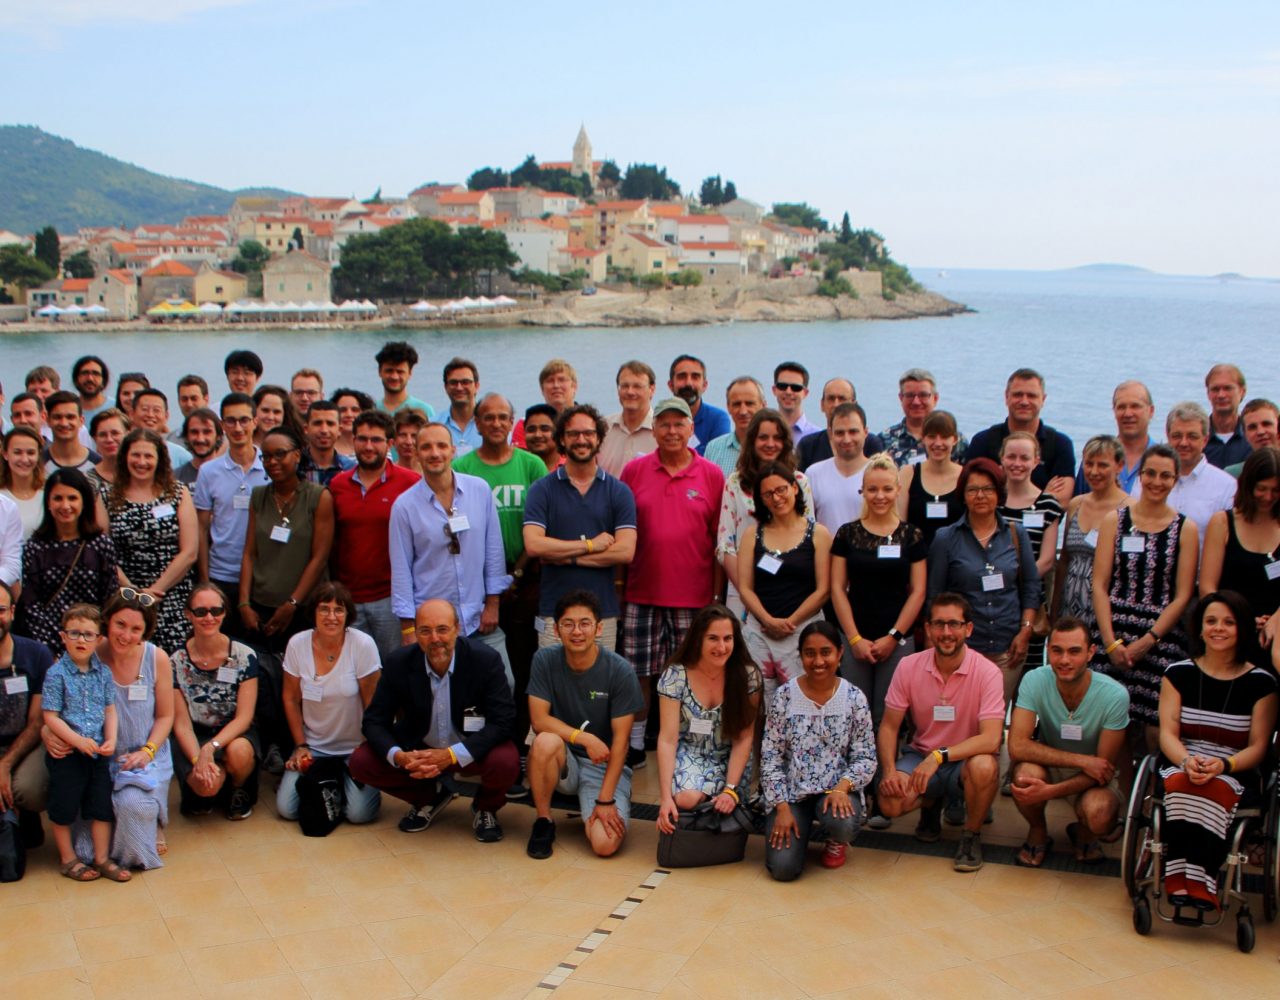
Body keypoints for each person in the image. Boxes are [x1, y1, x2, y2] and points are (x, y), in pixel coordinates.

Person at [348, 598, 518, 839]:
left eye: (442, 629)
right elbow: (374, 721)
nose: (435, 638)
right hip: (420, 748)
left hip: (468, 746)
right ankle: (429, 797)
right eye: (425, 631)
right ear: (415, 633)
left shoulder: (485, 660)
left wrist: (450, 755)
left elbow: (503, 721)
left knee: (506, 761)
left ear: (457, 629)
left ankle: (486, 807)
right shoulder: (399, 662)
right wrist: (399, 756)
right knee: (361, 761)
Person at [1156, 591, 1278, 909]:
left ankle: (1196, 881)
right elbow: (1167, 734)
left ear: (1242, 629)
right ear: (1199, 628)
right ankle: (1187, 880)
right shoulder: (1177, 674)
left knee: (1213, 786)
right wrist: (1186, 760)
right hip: (1182, 759)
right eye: (1211, 621)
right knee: (1184, 783)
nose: (1218, 628)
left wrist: (1223, 765)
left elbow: (1259, 747)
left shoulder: (1262, 683)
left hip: (1236, 768)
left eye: (1228, 622)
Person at [621, 398, 725, 767]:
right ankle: (636, 744)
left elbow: (718, 543)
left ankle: (690, 740)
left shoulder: (712, 474)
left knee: (693, 675)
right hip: (641, 592)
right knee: (639, 674)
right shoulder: (634, 471)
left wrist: (715, 596)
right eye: (663, 424)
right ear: (655, 430)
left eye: (679, 423)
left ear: (691, 428)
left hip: (694, 598)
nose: (671, 431)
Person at [830, 452, 927, 823]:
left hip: (896, 642)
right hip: (855, 638)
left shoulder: (912, 535)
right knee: (856, 717)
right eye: (873, 489)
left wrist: (893, 636)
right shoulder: (847, 533)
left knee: (889, 716)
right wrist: (853, 638)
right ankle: (854, 791)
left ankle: (884, 788)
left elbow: (917, 592)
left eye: (887, 489)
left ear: (898, 490)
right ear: (863, 490)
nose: (880, 495)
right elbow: (838, 589)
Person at [877, 593, 1004, 872]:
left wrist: (939, 756)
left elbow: (992, 738)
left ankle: (971, 836)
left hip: (964, 761)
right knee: (889, 802)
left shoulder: (989, 672)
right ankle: (932, 803)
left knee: (984, 767)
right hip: (921, 755)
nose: (946, 633)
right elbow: (888, 726)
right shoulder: (908, 666)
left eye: (954, 624)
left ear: (968, 629)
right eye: (939, 624)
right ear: (927, 629)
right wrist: (888, 770)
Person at [56, 591, 175, 870]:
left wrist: (147, 752)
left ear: (145, 632)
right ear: (107, 622)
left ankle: (150, 818)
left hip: (143, 756)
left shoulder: (156, 659)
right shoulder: (88, 654)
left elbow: (166, 716)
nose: (126, 635)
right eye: (120, 625)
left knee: (133, 807)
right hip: (96, 757)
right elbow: (56, 700)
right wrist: (52, 733)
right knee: (85, 851)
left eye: (136, 629)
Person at [456, 394, 547, 746]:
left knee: (523, 664)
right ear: (477, 423)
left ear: (512, 423)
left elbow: (542, 524)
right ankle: (482, 739)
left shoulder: (531, 465)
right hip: (476, 583)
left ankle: (520, 739)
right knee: (481, 664)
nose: (496, 424)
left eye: (503, 417)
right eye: (488, 417)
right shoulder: (463, 468)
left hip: (524, 580)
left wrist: (516, 575)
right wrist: (489, 584)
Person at [1092, 444, 1197, 748]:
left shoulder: (1185, 529)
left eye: (1166, 476)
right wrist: (1110, 642)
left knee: (1156, 726)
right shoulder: (1115, 520)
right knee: (1114, 725)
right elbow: (1099, 584)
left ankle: (1150, 793)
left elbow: (1183, 594)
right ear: (1140, 475)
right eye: (1150, 473)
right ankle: (1120, 793)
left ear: (1175, 480)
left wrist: (1149, 640)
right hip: (1113, 631)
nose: (1156, 481)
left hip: (1160, 637)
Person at [525, 590, 644, 859]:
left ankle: (597, 801)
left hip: (603, 765)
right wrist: (584, 738)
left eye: (585, 623)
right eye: (568, 624)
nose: (576, 631)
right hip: (563, 757)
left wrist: (605, 799)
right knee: (544, 739)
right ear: (556, 630)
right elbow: (539, 719)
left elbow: (622, 743)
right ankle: (544, 821)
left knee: (605, 844)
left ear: (599, 628)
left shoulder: (619, 670)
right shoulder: (544, 660)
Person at [389, 423, 511, 675]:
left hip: (478, 618)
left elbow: (494, 552)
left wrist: (493, 604)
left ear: (453, 450)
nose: (435, 453)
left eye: (441, 446)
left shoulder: (480, 490)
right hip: (433, 626)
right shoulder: (404, 506)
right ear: (417, 453)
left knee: (504, 682)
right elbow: (401, 570)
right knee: (441, 692)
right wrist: (409, 629)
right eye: (426, 447)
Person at [1007, 616, 1129, 866]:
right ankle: (1038, 831)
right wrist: (1082, 760)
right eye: (1057, 651)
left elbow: (1103, 770)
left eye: (1074, 652)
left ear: (1090, 653)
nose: (1064, 660)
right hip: (1060, 765)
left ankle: (1084, 832)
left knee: (1100, 813)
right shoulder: (1035, 679)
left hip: (1094, 779)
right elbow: (1017, 746)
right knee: (1024, 776)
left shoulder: (1115, 695)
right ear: (1047, 651)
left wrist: (1050, 792)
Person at [761, 622, 875, 878]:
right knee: (783, 869)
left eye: (826, 652)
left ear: (840, 653)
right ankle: (793, 828)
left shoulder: (854, 698)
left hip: (836, 791)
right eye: (810, 653)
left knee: (842, 821)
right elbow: (770, 757)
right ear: (800, 656)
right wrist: (781, 807)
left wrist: (843, 787)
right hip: (792, 795)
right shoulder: (784, 697)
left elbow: (865, 756)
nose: (818, 661)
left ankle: (836, 840)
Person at [523, 404, 636, 650]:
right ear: (561, 439)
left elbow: (625, 552)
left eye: (588, 433)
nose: (581, 440)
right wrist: (590, 545)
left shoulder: (618, 492)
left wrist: (568, 558)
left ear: (599, 438)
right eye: (573, 434)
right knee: (554, 687)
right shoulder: (542, 490)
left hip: (602, 615)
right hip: (554, 614)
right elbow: (534, 545)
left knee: (599, 688)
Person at [927, 458, 1040, 703]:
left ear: (999, 493)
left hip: (1008, 648)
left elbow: (1031, 586)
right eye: (973, 489)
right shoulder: (946, 538)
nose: (980, 495)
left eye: (988, 489)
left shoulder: (1016, 533)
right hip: (963, 649)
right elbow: (935, 595)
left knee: (995, 718)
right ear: (963, 495)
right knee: (964, 718)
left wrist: (1025, 632)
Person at [277, 582, 382, 827]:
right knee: (287, 809)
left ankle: (340, 784)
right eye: (324, 609)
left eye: (339, 610)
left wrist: (369, 749)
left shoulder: (363, 644)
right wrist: (300, 746)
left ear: (348, 615)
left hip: (356, 747)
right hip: (315, 747)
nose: (331, 617)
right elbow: (290, 699)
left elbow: (374, 705)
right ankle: (332, 782)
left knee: (359, 815)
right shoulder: (297, 644)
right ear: (313, 612)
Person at [41, 605, 130, 882]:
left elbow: (110, 709)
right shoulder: (56, 674)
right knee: (64, 805)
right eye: (75, 633)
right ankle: (68, 858)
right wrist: (77, 741)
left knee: (101, 805)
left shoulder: (102, 673)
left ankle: (102, 857)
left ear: (98, 639)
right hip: (68, 753)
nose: (81, 640)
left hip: (98, 753)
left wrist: (112, 738)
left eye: (88, 635)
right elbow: (51, 717)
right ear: (63, 636)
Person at [655, 605, 761, 835]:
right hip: (690, 751)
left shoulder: (748, 676)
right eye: (713, 638)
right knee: (685, 799)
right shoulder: (675, 675)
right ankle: (703, 805)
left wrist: (730, 789)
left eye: (728, 638)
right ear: (697, 639)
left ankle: (716, 802)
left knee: (726, 800)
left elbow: (744, 738)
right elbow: (667, 739)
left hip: (729, 755)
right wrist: (665, 798)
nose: (721, 647)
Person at [737, 462, 832, 702]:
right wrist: (768, 621)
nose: (776, 498)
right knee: (754, 703)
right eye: (768, 494)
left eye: (781, 490)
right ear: (761, 499)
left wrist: (790, 622)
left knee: (802, 701)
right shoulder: (752, 534)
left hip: (804, 631)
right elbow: (745, 588)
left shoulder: (818, 533)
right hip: (760, 632)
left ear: (795, 489)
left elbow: (823, 590)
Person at [329, 410, 420, 657]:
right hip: (349, 598)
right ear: (353, 440)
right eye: (362, 439)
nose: (368, 446)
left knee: (395, 667)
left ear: (390, 444)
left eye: (376, 440)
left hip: (390, 599)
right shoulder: (338, 485)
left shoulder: (410, 483)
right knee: (355, 670)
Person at [170, 583, 260, 820]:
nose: (209, 617)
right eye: (200, 612)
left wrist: (212, 747)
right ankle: (207, 788)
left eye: (215, 611)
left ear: (224, 613)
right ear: (188, 614)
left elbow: (244, 717)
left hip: (233, 733)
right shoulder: (175, 661)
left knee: (240, 752)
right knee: (206, 785)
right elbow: (181, 725)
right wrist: (198, 759)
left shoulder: (244, 655)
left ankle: (237, 789)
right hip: (194, 734)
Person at [239, 427, 333, 653]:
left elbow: (319, 558)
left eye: (280, 454)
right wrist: (243, 604)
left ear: (297, 455)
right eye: (267, 456)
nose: (272, 461)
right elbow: (250, 553)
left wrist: (292, 604)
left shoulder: (318, 497)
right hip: (262, 606)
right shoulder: (259, 496)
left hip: (304, 608)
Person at [716, 409, 814, 618]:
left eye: (777, 437)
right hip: (743, 594)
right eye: (763, 437)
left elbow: (808, 536)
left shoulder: (800, 482)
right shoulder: (735, 483)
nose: (770, 444)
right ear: (752, 440)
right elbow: (726, 545)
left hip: (791, 592)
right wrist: (748, 591)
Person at [107, 428, 198, 653]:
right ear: (124, 457)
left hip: (171, 595)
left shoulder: (177, 493)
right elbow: (103, 551)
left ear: (160, 460)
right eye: (136, 455)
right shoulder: (106, 496)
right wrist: (132, 591)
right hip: (126, 597)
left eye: (148, 456)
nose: (142, 462)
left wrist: (154, 591)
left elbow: (190, 551)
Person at [16, 469, 117, 653]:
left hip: (93, 644)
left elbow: (109, 599)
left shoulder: (100, 544)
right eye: (58, 498)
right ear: (48, 502)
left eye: (72, 498)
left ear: (84, 501)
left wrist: (90, 641)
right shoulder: (35, 547)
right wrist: (52, 648)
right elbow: (31, 606)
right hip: (50, 647)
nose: (65, 505)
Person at [194, 393, 269, 639]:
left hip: (261, 577)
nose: (238, 428)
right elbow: (202, 529)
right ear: (222, 425)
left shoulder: (271, 467)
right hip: (221, 575)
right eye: (231, 421)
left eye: (244, 420)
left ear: (255, 422)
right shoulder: (208, 471)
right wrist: (205, 581)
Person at [1199, 447, 1280, 656]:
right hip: (1231, 632)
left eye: (1275, 490)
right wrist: (1236, 618)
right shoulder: (1223, 522)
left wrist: (1275, 620)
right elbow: (1208, 586)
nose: (1268, 497)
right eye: (1261, 489)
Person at [998, 431, 1064, 668]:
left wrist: (1013, 583)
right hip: (993, 602)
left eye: (1024, 458)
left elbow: (1047, 561)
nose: (1017, 464)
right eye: (1011, 457)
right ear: (1001, 459)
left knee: (1027, 671)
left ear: (1036, 461)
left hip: (1030, 602)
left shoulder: (1048, 505)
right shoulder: (992, 501)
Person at [967, 368, 1076, 506]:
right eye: (1018, 395)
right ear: (1006, 397)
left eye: (1032, 396)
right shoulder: (983, 441)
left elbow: (1062, 501)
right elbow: (970, 494)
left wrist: (996, 487)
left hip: (1041, 527)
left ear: (1043, 399)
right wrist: (1043, 496)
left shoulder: (1060, 444)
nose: (1024, 401)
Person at [1138, 402, 1239, 550]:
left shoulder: (1226, 486)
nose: (1184, 443)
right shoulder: (1145, 482)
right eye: (1177, 436)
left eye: (1192, 436)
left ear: (1205, 440)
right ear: (1168, 436)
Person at [1053, 435, 1131, 624]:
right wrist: (1054, 610)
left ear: (1119, 466)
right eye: (1089, 464)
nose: (1094, 471)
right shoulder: (1076, 504)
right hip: (1070, 607)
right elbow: (1064, 561)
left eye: (1102, 465)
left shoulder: (1129, 510)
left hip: (1108, 612)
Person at [0, 582, 55, 851]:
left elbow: (37, 722)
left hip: (25, 746)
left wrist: (5, 764)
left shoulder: (36, 654)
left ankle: (26, 812)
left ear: (11, 611)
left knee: (29, 789)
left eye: (0, 609)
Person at [897, 409, 965, 549]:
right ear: (923, 439)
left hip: (956, 560)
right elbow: (900, 525)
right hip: (917, 557)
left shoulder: (965, 476)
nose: (938, 443)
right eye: (932, 437)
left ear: (955, 439)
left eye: (944, 437)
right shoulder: (908, 474)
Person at [1073, 381, 1155, 495]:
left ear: (1151, 411)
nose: (1128, 413)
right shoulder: (1095, 457)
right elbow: (1079, 504)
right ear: (1114, 411)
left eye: (1135, 406)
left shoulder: (1162, 460)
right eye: (1121, 407)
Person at [880, 367, 968, 466]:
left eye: (923, 395)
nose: (916, 402)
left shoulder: (957, 441)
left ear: (935, 398)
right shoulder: (884, 440)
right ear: (901, 398)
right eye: (910, 395)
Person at [795, 377, 886, 470]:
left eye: (842, 398)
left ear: (854, 404)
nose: (836, 404)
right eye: (831, 398)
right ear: (822, 405)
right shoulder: (808, 445)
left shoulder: (871, 443)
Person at [805, 402, 870, 533]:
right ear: (830, 434)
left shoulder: (879, 474)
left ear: (865, 432)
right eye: (840, 433)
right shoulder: (813, 474)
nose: (846, 439)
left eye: (853, 432)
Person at [599, 360, 656, 476]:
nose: (630, 392)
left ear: (652, 390)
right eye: (625, 386)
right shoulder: (602, 428)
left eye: (637, 386)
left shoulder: (663, 432)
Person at [703, 376, 765, 477]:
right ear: (728, 407)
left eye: (749, 404)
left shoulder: (772, 448)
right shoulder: (713, 449)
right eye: (737, 404)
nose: (743, 411)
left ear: (763, 405)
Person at [667, 354, 729, 455]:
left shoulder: (718, 419)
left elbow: (719, 459)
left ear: (704, 385)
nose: (688, 383)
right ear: (671, 385)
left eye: (695, 377)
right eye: (682, 377)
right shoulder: (660, 419)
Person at [1203, 363, 1251, 470]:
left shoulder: (1252, 437)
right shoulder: (1198, 438)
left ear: (1242, 392)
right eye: (1215, 389)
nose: (1221, 395)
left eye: (1227, 388)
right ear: (1208, 394)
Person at [2, 425, 46, 539]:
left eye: (31, 453)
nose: (24, 459)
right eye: (17, 452)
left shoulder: (49, 492)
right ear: (5, 454)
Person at [131, 389, 193, 469]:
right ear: (132, 414)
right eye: (144, 409)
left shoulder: (181, 455)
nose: (150, 415)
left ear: (166, 416)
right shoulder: (122, 451)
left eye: (156, 410)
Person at [298, 399, 355, 486]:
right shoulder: (294, 467)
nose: (324, 430)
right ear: (306, 429)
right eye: (317, 423)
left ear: (339, 430)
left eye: (330, 424)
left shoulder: (351, 469)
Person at [375, 340, 434, 418]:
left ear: (410, 373)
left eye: (400, 372)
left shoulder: (424, 410)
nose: (394, 377)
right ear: (379, 372)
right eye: (389, 371)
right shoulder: (371, 409)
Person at [42, 392, 98, 474]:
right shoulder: (38, 465)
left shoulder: (97, 464)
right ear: (48, 420)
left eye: (70, 417)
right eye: (57, 417)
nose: (64, 423)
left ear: (81, 421)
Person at [1224, 398, 1278, 478]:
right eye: (1252, 427)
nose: (1260, 432)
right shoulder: (1232, 474)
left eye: (1266, 424)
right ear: (1245, 434)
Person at [440, 357, 482, 456]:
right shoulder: (433, 424)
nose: (459, 388)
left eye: (465, 382)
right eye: (453, 383)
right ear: (445, 387)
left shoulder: (492, 426)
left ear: (476, 386)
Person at [770, 361, 821, 441]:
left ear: (805, 393)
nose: (788, 392)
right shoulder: (764, 433)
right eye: (782, 386)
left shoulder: (818, 436)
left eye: (796, 387)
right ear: (774, 390)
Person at [174, 406, 222, 487]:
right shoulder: (175, 478)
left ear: (218, 436)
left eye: (207, 432)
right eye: (194, 432)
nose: (200, 439)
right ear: (186, 436)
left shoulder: (231, 476)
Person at [87, 408, 129, 493]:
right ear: (95, 439)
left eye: (115, 433)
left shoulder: (140, 476)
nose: (109, 439)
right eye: (102, 435)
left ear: (128, 435)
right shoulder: (87, 481)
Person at [252, 384, 306, 449]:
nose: (270, 417)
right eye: (265, 410)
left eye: (276, 412)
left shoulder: (298, 448)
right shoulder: (242, 442)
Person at [331, 387, 374, 458]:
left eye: (355, 410)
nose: (349, 414)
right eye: (342, 410)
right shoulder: (324, 449)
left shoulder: (378, 447)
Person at [520, 403, 563, 473]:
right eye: (531, 430)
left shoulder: (571, 468)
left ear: (558, 433)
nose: (537, 435)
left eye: (545, 429)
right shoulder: (518, 469)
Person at [72, 355, 110, 422]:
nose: (90, 379)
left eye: (96, 373)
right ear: (77, 378)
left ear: (103, 380)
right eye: (85, 373)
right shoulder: (69, 409)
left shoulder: (116, 406)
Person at [392, 407, 428, 475]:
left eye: (414, 436)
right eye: (403, 435)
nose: (409, 442)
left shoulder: (432, 474)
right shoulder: (386, 475)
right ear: (393, 440)